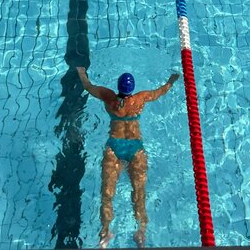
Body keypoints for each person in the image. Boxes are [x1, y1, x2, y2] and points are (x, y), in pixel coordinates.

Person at [76, 66, 180, 249]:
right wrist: (172, 80)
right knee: (139, 193)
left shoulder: (108, 97)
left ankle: (105, 232)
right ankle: (140, 232)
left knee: (107, 195)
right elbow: (161, 91)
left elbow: (88, 86)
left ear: (118, 87)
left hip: (114, 148)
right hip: (135, 149)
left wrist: (81, 72)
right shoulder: (140, 99)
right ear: (132, 89)